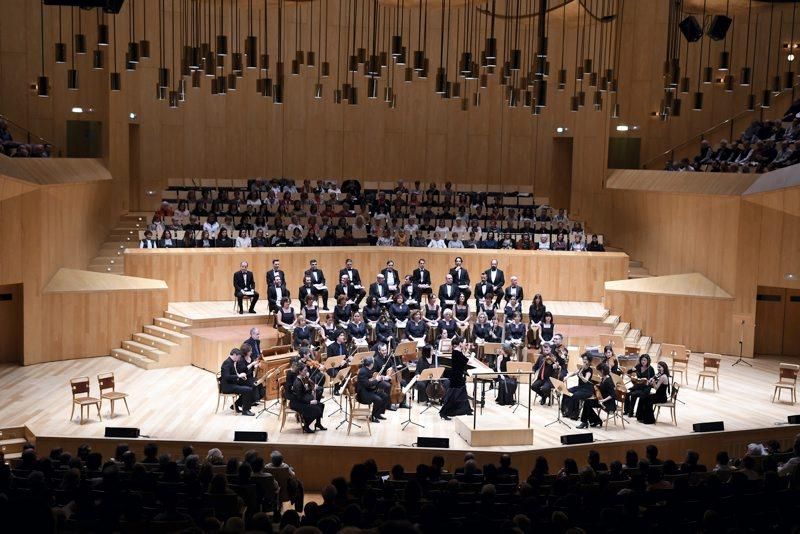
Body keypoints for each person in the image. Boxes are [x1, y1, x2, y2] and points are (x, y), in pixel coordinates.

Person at [439, 336, 474, 420]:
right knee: (453, 395)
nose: (465, 344)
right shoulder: (456, 352)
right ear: (460, 343)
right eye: (464, 342)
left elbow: (462, 360)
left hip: (458, 375)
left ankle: (467, 410)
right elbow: (469, 361)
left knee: (462, 393)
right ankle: (443, 412)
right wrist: (472, 354)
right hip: (456, 377)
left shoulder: (457, 352)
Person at [577, 364, 616, 429]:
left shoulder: (608, 381)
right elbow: (602, 388)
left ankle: (588, 422)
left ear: (602, 371)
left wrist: (603, 400)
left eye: (599, 371)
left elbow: (613, 395)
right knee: (587, 402)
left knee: (587, 403)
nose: (598, 373)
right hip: (602, 399)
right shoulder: (604, 378)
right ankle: (595, 421)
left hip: (608, 403)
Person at [290, 365, 326, 433]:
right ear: (300, 372)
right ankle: (306, 426)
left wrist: (311, 391)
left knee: (321, 405)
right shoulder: (298, 382)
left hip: (302, 400)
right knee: (317, 409)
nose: (307, 372)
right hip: (296, 403)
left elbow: (305, 391)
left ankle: (318, 423)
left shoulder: (302, 379)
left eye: (306, 370)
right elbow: (299, 397)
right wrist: (310, 402)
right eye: (305, 370)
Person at [220, 348, 255, 416]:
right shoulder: (227, 363)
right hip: (227, 387)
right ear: (234, 355)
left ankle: (236, 405)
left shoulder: (231, 362)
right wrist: (238, 376)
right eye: (238, 357)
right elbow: (226, 376)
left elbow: (232, 375)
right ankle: (245, 410)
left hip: (231, 383)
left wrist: (240, 376)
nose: (239, 359)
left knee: (250, 387)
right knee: (248, 390)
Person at [561, 353, 595, 420]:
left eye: (586, 359)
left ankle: (574, 415)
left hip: (587, 390)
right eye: (583, 359)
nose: (584, 360)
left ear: (589, 361)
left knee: (575, 395)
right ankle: (566, 411)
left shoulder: (589, 370)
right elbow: (574, 373)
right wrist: (567, 377)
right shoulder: (581, 368)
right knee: (566, 391)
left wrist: (582, 377)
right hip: (580, 387)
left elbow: (586, 380)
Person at [356, 356, 390, 422]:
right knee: (378, 400)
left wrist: (382, 378)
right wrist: (377, 380)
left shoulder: (368, 369)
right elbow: (367, 384)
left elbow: (372, 378)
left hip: (369, 390)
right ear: (371, 364)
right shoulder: (363, 371)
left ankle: (378, 414)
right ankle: (373, 416)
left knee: (385, 396)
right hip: (363, 393)